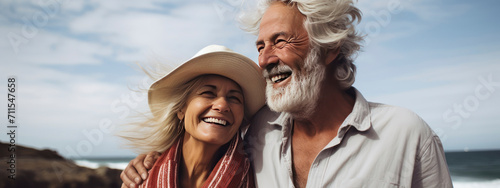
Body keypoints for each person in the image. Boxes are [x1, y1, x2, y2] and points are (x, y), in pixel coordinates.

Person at [121, 0, 453, 187]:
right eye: (260, 46)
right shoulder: (257, 131)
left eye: (280, 41)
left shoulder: (406, 133)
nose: (265, 59)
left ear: (330, 48)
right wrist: (147, 163)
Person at [119, 44, 266, 188]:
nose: (222, 105)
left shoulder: (259, 176)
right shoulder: (142, 178)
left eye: (234, 98)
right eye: (208, 93)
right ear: (181, 109)